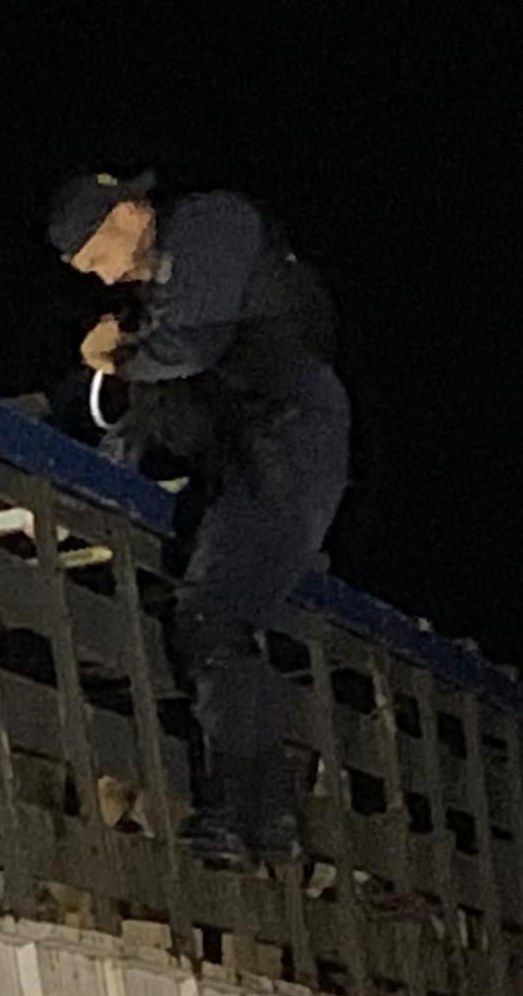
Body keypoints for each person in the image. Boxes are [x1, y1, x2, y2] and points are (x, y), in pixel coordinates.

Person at [48, 169, 349, 856]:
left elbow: (186, 350)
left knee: (214, 615)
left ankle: (244, 813)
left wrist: (118, 356)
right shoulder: (163, 298)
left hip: (292, 433)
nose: (101, 278)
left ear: (126, 212)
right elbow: (165, 409)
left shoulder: (213, 223)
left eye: (97, 257)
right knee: (215, 619)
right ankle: (263, 818)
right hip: (246, 451)